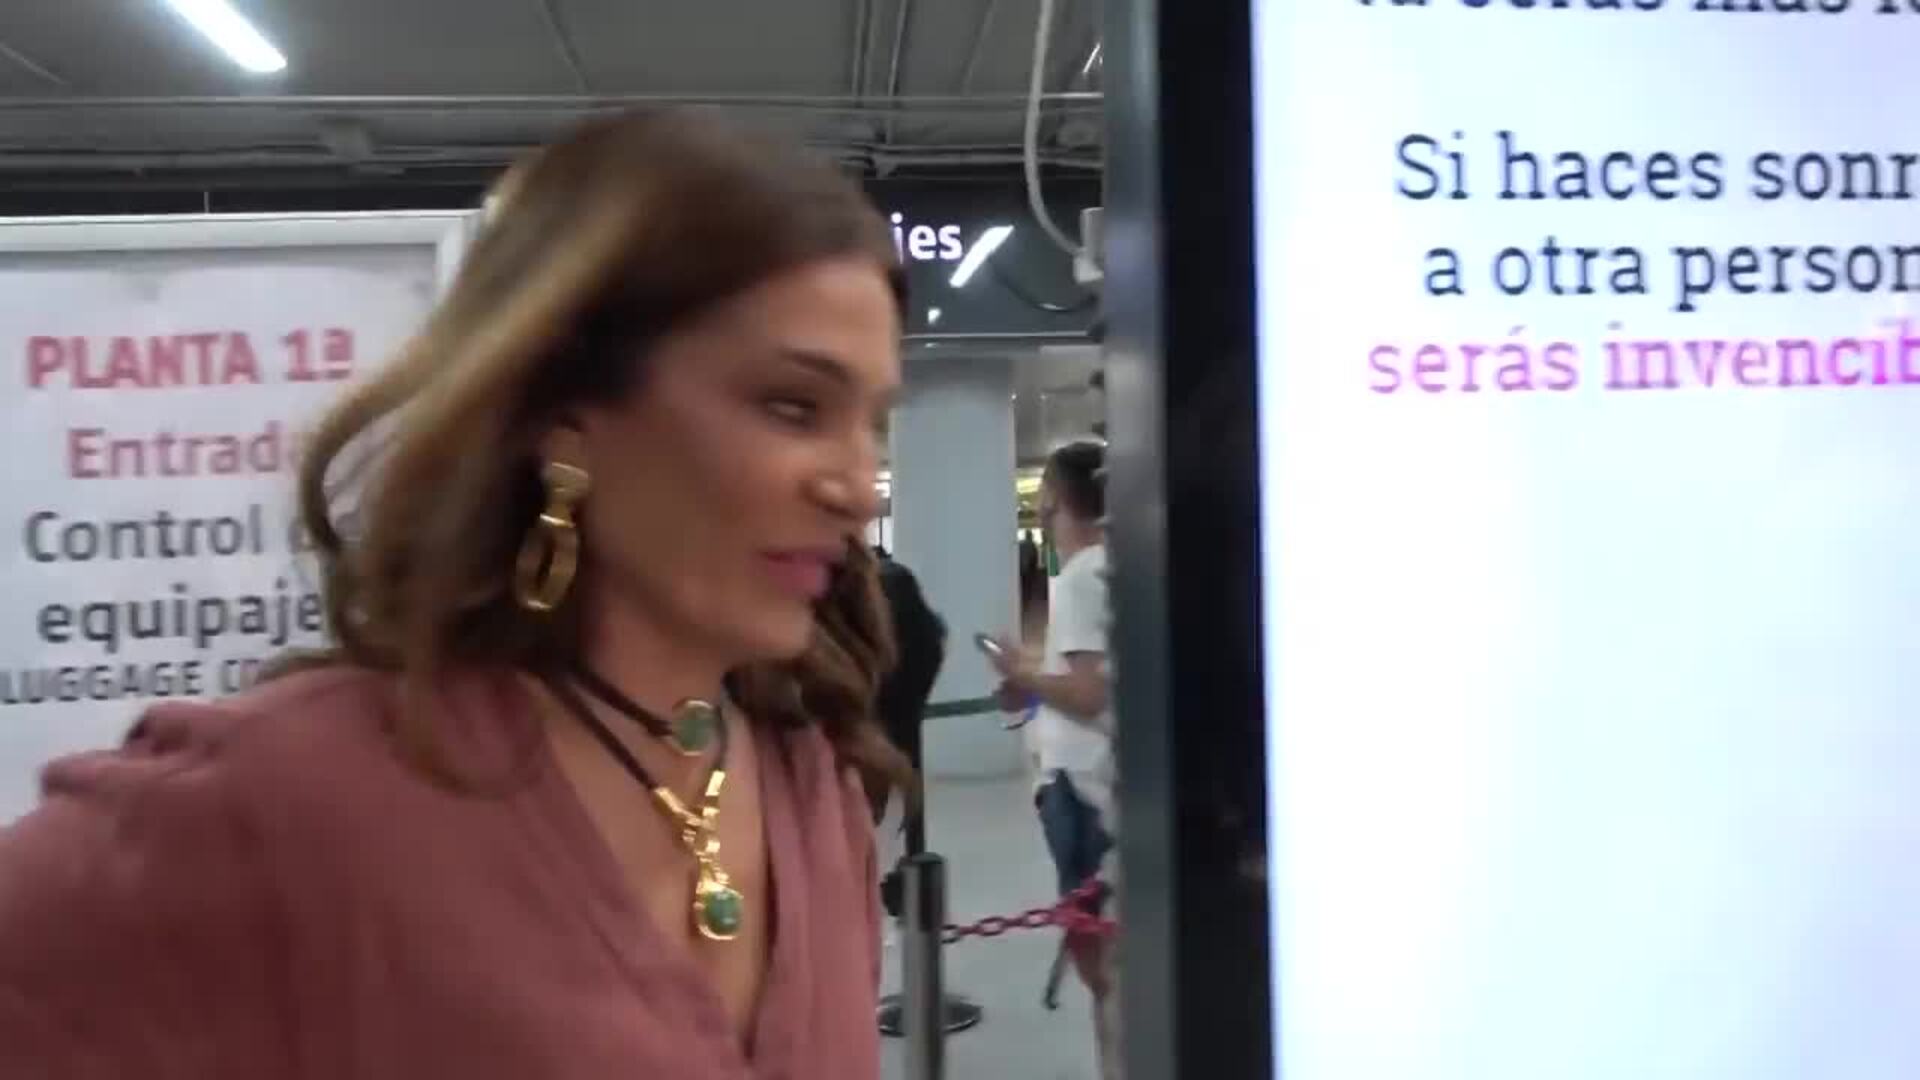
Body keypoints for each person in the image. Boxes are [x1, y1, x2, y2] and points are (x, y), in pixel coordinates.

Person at [0, 109, 909, 1079]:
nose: (858, 486)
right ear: (565, 414)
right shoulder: (298, 792)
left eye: (872, 423)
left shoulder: (813, 785)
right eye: (792, 407)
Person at [985, 440, 1116, 1079]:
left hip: (1083, 790)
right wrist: (1036, 681)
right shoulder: (1108, 569)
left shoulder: (1083, 577)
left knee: (1103, 966)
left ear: (1058, 500)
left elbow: (1090, 696)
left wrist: (1023, 675)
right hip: (1095, 783)